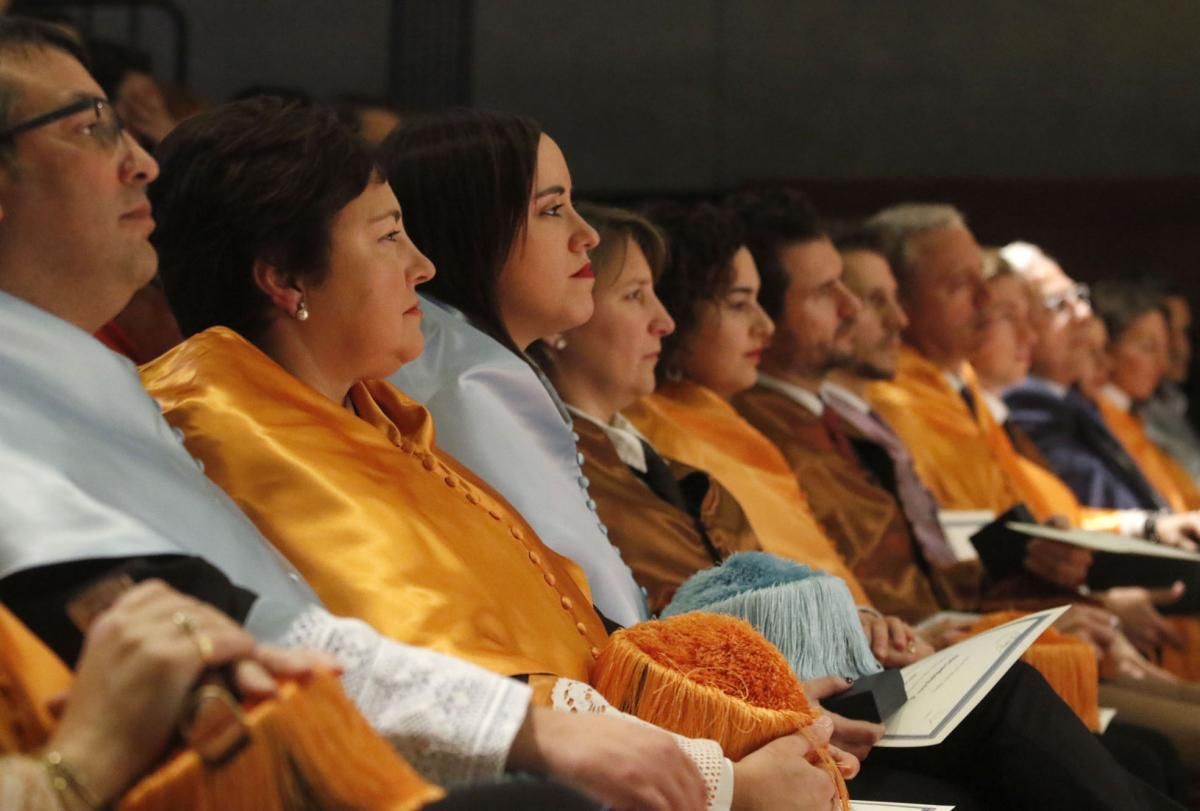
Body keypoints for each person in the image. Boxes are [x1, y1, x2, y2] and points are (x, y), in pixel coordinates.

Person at [0, 18, 745, 809]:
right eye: (90, 128)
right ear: (287, 280)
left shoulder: (367, 410)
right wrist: (689, 760)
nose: (138, 160)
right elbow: (230, 631)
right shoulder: (230, 411)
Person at [139, 97, 853, 810]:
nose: (421, 265)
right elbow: (463, 691)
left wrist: (745, 717)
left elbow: (571, 640)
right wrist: (727, 780)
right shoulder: (240, 432)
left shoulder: (377, 413)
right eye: (388, 237)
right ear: (286, 278)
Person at [625, 196, 1186, 811]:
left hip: (881, 648)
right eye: (740, 303)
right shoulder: (694, 433)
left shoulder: (750, 426)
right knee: (1063, 717)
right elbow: (720, 608)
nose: (862, 315)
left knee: (1131, 741)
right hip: (809, 684)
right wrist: (934, 625)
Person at [382, 110, 651, 629]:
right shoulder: (463, 385)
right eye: (552, 210)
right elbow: (589, 623)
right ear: (472, 229)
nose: (588, 235)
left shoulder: (467, 358)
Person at [997, 242, 1167, 512]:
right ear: (1022, 319)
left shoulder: (1072, 399)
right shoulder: (1027, 403)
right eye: (1058, 304)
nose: (1084, 314)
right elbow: (1102, 501)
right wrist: (1160, 527)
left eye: (1078, 295)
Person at [1090, 281, 1200, 514]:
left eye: (1164, 349)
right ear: (1106, 348)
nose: (1161, 364)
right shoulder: (1094, 420)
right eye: (1148, 348)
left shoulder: (1136, 417)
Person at [1143, 291, 1200, 483]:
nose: (1181, 348)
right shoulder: (1135, 413)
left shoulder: (1178, 398)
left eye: (1184, 332)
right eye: (1169, 334)